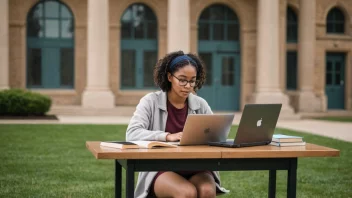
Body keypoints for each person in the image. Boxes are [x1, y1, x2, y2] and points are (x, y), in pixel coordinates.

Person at [126, 51, 228, 198]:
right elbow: (132, 133)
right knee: (186, 192)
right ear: (169, 77)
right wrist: (167, 136)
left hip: (196, 166)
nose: (188, 86)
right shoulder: (150, 101)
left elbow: (216, 135)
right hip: (161, 168)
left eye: (192, 81)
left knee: (207, 191)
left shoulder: (201, 104)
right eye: (182, 80)